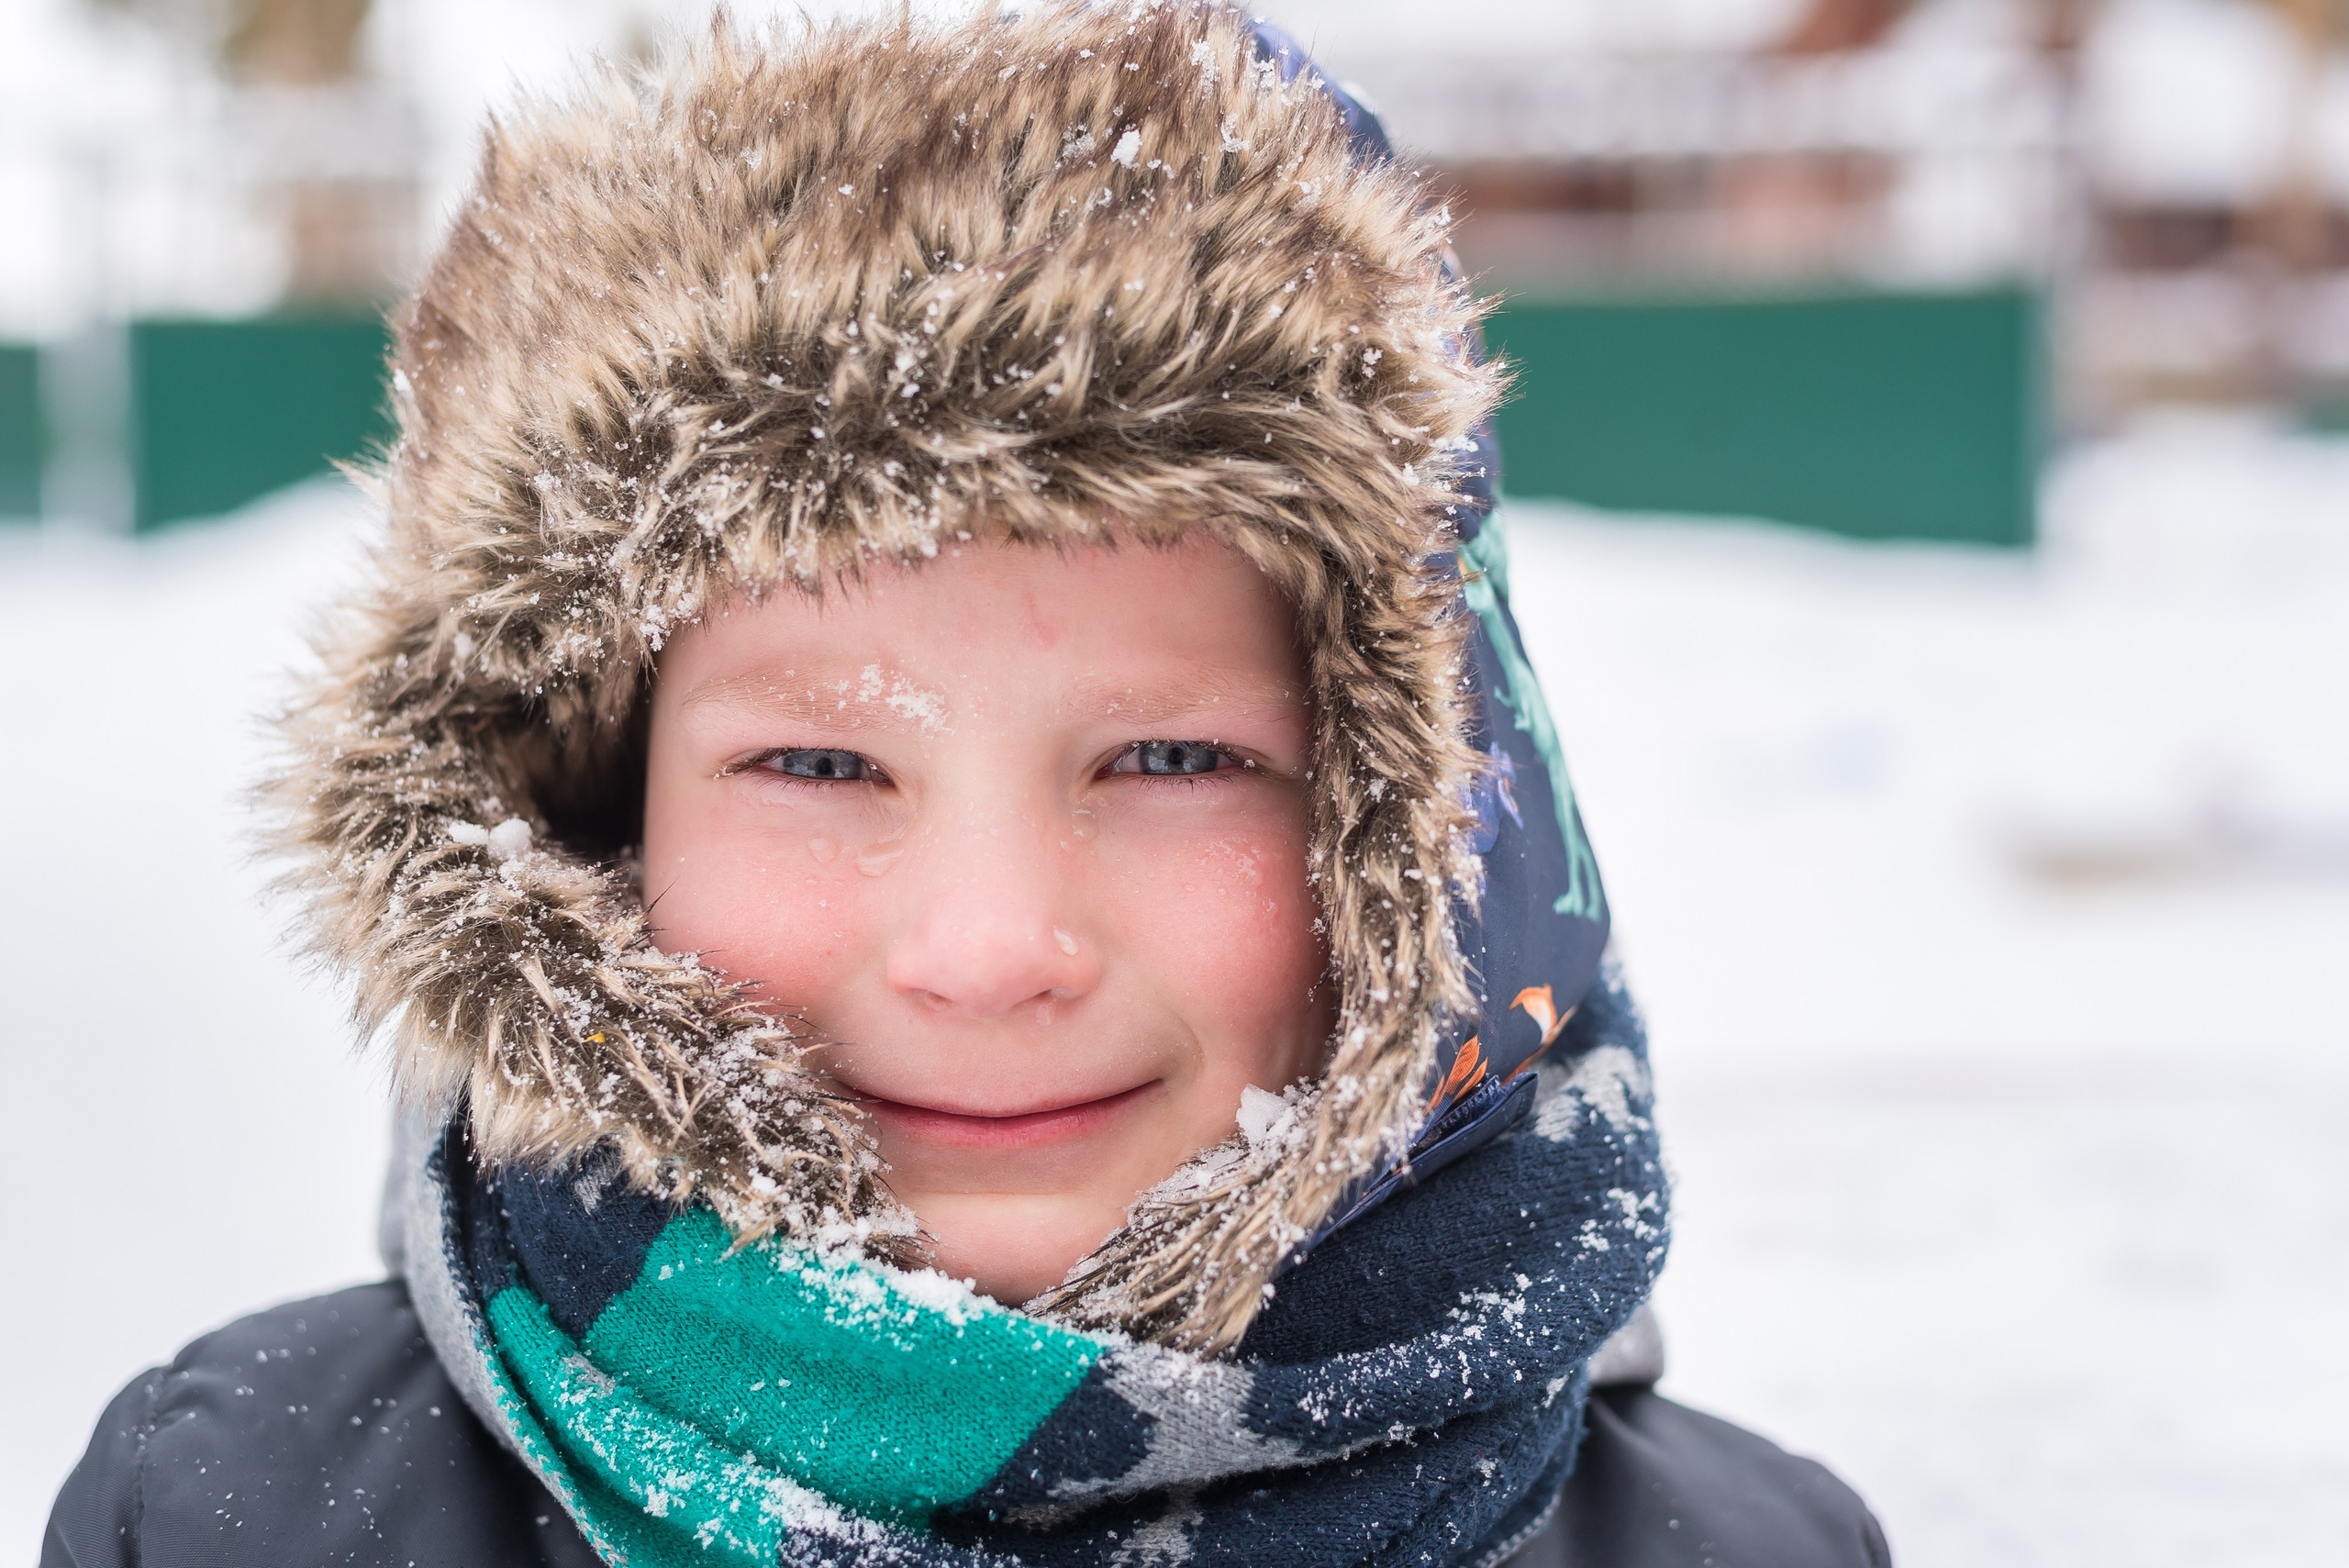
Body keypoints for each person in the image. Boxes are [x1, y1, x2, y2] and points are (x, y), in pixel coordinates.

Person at [44, 6, 1889, 1564]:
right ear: (582, 828)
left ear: (1430, 834)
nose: (990, 948)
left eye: (1172, 757)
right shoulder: (232, 1512)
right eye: (820, 761)